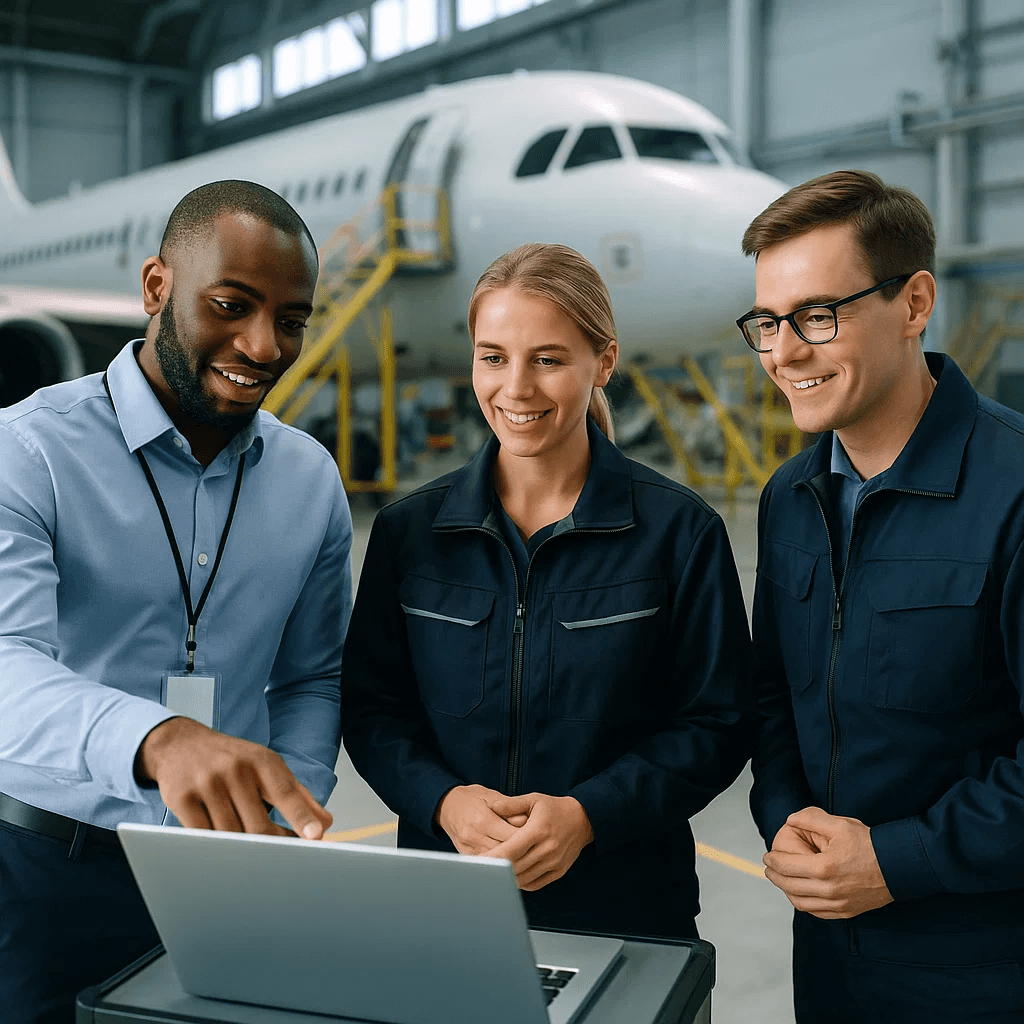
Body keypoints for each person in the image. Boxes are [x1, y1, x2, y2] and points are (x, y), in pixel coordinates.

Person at [0, 180, 353, 1023]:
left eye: (293, 319)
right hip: (45, 871)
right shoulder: (30, 449)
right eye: (231, 306)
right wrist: (157, 739)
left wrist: (284, 808)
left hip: (229, 878)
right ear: (157, 288)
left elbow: (313, 678)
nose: (264, 345)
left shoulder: (311, 480)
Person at [341, 242, 753, 939]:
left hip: (627, 908)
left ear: (605, 361)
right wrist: (442, 803)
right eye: (493, 356)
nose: (517, 388)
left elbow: (717, 722)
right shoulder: (410, 534)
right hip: (447, 904)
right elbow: (373, 710)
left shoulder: (679, 532)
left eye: (549, 359)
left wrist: (589, 815)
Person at [741, 170, 1024, 1022]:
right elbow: (772, 701)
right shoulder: (791, 496)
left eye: (818, 316)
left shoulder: (1013, 492)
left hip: (983, 968)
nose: (785, 353)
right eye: (767, 322)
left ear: (914, 303)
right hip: (829, 954)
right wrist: (786, 820)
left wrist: (895, 862)